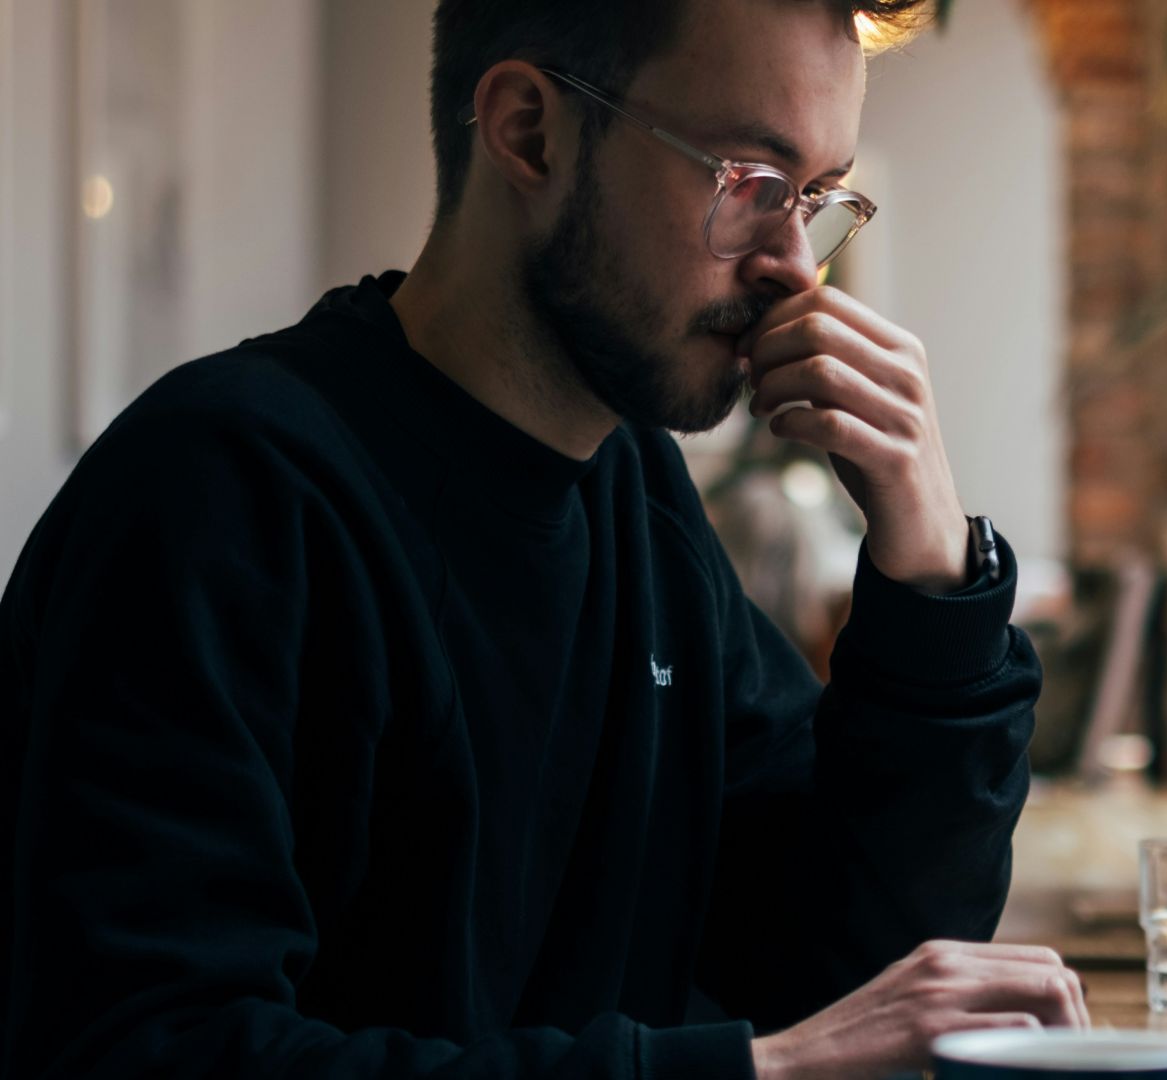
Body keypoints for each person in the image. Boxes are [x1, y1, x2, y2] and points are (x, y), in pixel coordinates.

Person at [0, 1, 1090, 1076]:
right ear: (530, 129)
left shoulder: (641, 508)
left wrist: (931, 560)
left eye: (814, 196)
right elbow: (153, 1049)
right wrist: (761, 1073)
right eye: (750, 183)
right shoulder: (224, 491)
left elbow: (855, 958)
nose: (795, 268)